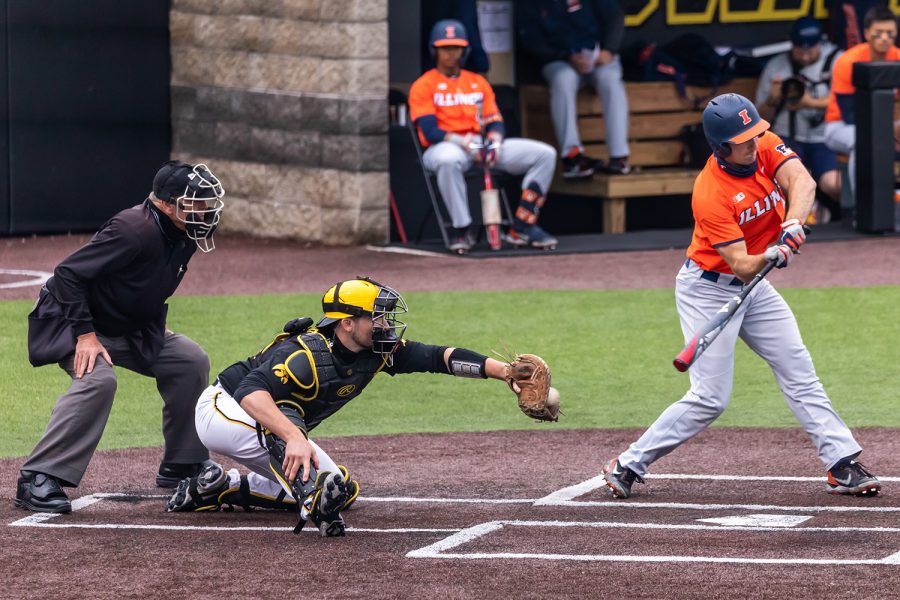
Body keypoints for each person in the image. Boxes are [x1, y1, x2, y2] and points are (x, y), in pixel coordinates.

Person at [601, 94, 880, 500]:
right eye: (745, 140)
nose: (755, 143)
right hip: (709, 289)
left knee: (797, 367)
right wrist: (774, 252)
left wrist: (792, 223)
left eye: (756, 135)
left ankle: (841, 463)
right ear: (721, 148)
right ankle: (629, 462)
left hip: (755, 289)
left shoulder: (761, 143)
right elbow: (741, 264)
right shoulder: (709, 192)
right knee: (711, 397)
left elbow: (803, 180)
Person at [164, 277, 556, 537]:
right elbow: (251, 392)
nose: (386, 325)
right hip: (224, 412)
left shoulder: (377, 350)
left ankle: (221, 487)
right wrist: (291, 436)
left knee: (341, 490)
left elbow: (439, 357)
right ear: (347, 323)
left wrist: (505, 372)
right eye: (377, 317)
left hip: (268, 419)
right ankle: (309, 497)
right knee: (311, 475)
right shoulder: (304, 356)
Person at [15, 160, 226, 514]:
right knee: (98, 380)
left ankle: (182, 462)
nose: (204, 209)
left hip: (126, 326)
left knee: (189, 359)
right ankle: (38, 476)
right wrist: (85, 335)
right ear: (165, 203)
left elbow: (141, 284)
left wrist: (152, 323)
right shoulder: (133, 229)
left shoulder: (185, 233)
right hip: (71, 320)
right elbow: (67, 275)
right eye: (196, 202)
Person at [409, 19, 559, 253]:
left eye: (455, 48)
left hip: (482, 145)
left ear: (464, 50)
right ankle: (462, 228)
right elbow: (429, 131)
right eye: (445, 48)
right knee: (449, 160)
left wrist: (495, 142)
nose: (451, 53)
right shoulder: (423, 85)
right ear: (434, 50)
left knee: (544, 154)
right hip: (446, 147)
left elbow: (494, 120)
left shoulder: (477, 82)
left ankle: (522, 226)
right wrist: (463, 142)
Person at [518, 0, 631, 178]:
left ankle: (619, 156)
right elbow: (531, 40)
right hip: (561, 60)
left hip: (597, 57)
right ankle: (573, 157)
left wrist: (609, 49)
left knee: (609, 79)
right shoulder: (533, 5)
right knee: (563, 79)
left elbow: (614, 17)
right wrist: (565, 56)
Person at [755, 16, 842, 224]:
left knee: (833, 184)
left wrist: (809, 102)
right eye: (799, 49)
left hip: (825, 137)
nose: (804, 54)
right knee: (783, 183)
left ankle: (839, 213)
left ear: (820, 43)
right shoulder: (777, 66)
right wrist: (772, 99)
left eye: (810, 48)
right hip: (788, 136)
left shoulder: (838, 60)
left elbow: (849, 102)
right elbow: (760, 120)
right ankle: (799, 217)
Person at [824, 6, 900, 204]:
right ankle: (863, 207)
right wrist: (888, 130)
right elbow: (849, 113)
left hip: (887, 124)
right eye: (878, 33)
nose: (884, 38)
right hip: (841, 126)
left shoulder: (897, 57)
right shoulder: (848, 61)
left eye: (890, 33)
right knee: (864, 141)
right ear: (866, 33)